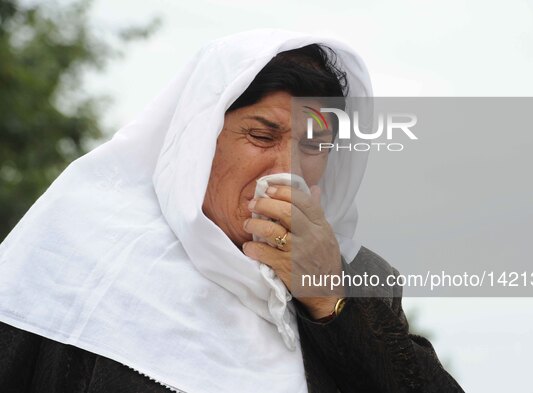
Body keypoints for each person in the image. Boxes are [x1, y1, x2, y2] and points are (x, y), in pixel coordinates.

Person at [0, 29, 464, 392]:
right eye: (262, 137)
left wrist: (327, 299)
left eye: (314, 145)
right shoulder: (83, 252)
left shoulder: (359, 277)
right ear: (198, 143)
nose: (287, 167)